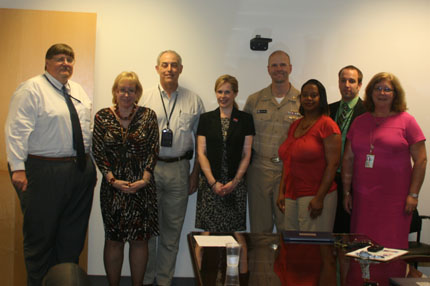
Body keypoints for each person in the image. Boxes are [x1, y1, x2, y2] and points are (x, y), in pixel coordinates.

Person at [5, 43, 97, 286]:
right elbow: (16, 130)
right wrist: (17, 168)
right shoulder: (31, 89)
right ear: (47, 63)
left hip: (80, 170)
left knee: (72, 237)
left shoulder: (77, 89)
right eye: (59, 58)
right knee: (40, 238)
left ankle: (64, 281)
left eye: (69, 59)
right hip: (44, 171)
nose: (65, 63)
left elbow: (85, 131)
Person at [141, 50, 205, 286]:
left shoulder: (193, 100)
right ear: (157, 68)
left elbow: (201, 141)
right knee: (148, 231)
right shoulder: (144, 98)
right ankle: (146, 279)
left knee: (172, 231)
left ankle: (165, 280)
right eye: (165, 65)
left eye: (174, 65)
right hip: (150, 170)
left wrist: (195, 173)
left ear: (181, 69)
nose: (169, 69)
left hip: (180, 169)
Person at [342, 72, 427, 249]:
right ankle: (363, 278)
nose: (381, 93)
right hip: (363, 199)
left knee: (391, 247)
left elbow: (421, 160)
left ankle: (391, 278)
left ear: (395, 94)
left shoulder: (407, 121)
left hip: (395, 200)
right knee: (361, 246)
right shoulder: (359, 122)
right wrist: (347, 192)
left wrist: (413, 195)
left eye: (387, 89)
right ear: (370, 92)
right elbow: (348, 159)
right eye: (377, 88)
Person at [92, 71, 159, 286]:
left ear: (137, 92)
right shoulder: (102, 116)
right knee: (114, 240)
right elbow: (98, 151)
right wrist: (112, 180)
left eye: (131, 90)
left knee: (140, 241)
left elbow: (153, 149)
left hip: (142, 187)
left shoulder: (148, 116)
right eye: (122, 89)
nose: (126, 94)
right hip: (113, 189)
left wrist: (145, 178)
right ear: (115, 91)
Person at [244, 50, 301, 233]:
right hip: (259, 171)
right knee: (260, 230)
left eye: (283, 65)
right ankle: (261, 263)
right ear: (268, 69)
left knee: (288, 229)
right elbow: (243, 135)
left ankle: (286, 263)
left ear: (290, 68)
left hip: (289, 173)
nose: (279, 69)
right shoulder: (254, 100)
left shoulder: (302, 101)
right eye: (274, 65)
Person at [277, 79, 341, 232]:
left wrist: (320, 198)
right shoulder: (295, 125)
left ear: (321, 99)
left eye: (314, 95)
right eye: (305, 95)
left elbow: (332, 165)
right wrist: (282, 192)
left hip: (315, 195)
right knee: (293, 244)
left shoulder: (328, 125)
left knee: (313, 247)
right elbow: (288, 162)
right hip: (292, 194)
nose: (309, 99)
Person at [195, 75, 255, 232]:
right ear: (215, 93)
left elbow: (246, 153)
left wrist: (234, 182)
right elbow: (201, 153)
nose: (223, 96)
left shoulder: (245, 119)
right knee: (208, 234)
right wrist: (213, 183)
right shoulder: (206, 119)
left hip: (235, 185)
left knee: (234, 236)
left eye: (227, 92)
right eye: (219, 92)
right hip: (210, 185)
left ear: (235, 93)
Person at [329, 65, 366, 233]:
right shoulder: (329, 110)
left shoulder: (367, 112)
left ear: (359, 85)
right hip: (330, 177)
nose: (347, 85)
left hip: (355, 178)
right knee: (331, 227)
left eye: (352, 81)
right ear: (338, 83)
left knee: (350, 228)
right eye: (343, 80)